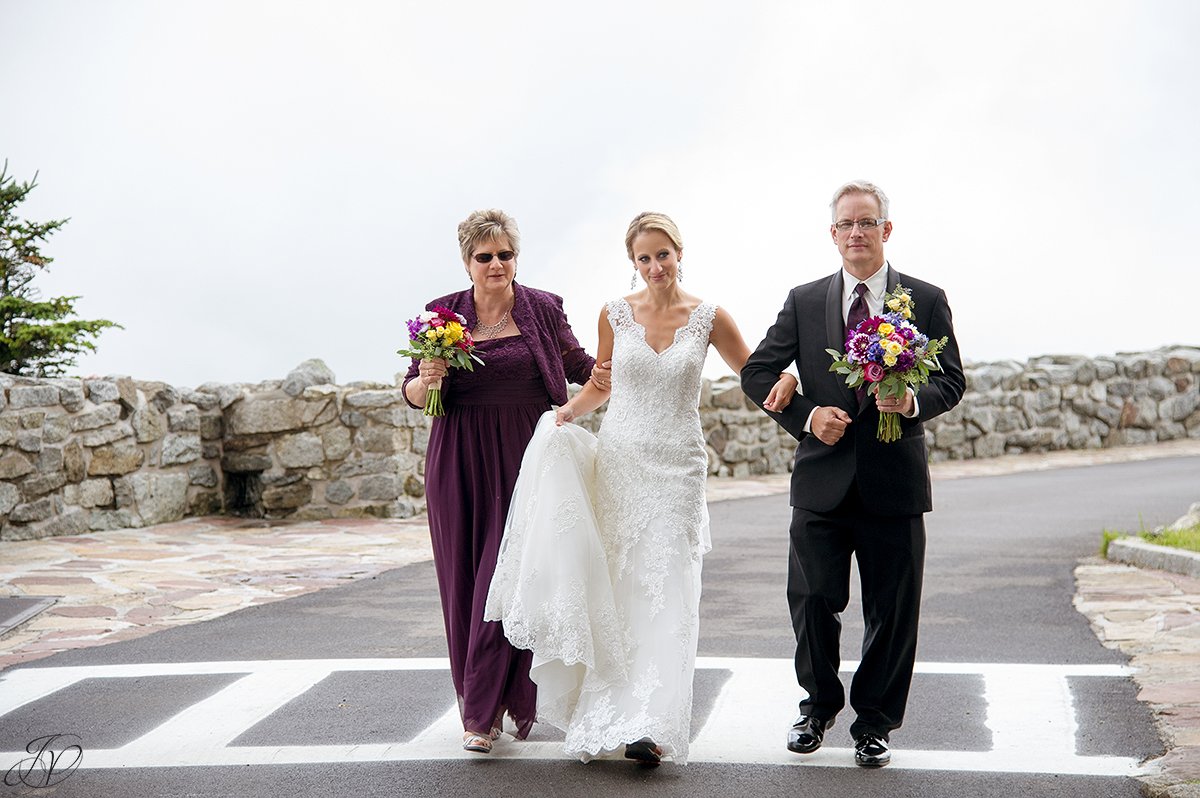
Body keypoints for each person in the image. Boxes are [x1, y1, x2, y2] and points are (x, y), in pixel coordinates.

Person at [485, 212, 797, 766]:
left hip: (678, 469)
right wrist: (564, 416)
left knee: (668, 590)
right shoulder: (614, 314)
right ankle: (614, 714)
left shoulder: (708, 317)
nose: (655, 266)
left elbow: (755, 376)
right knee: (621, 587)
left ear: (680, 253)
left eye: (663, 255)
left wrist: (794, 382)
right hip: (622, 465)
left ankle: (651, 721)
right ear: (632, 262)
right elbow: (599, 388)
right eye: (643, 258)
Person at [740, 181, 964, 767]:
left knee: (892, 609)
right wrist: (806, 416)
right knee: (812, 598)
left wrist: (912, 402)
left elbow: (951, 380)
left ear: (886, 230)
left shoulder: (926, 298)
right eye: (846, 225)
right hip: (821, 479)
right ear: (833, 234)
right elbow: (759, 373)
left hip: (894, 480)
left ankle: (875, 724)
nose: (857, 234)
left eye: (867, 223)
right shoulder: (805, 299)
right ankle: (816, 708)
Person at [402, 208, 606, 754]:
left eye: (506, 254)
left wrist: (635, 367)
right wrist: (425, 379)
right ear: (467, 262)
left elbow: (578, 364)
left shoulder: (542, 306)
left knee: (509, 572)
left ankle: (484, 710)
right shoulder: (441, 315)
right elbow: (413, 394)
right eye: (484, 256)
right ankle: (482, 704)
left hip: (529, 455)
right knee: (465, 579)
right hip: (459, 456)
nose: (497, 264)